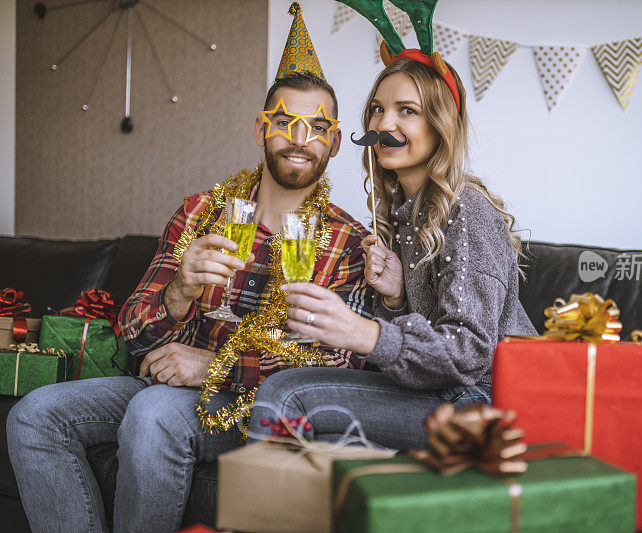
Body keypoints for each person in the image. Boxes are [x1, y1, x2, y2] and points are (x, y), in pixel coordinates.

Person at [6, 6, 371, 531]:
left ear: (334, 142)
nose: (299, 136)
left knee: (154, 415)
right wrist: (179, 289)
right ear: (259, 129)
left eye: (317, 127)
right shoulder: (201, 211)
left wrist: (212, 366)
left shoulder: (348, 242)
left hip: (249, 403)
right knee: (34, 416)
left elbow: (336, 373)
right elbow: (133, 333)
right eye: (284, 121)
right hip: (163, 385)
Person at [248, 51, 537, 449]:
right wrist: (399, 298)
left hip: (483, 401)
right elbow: (421, 349)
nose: (384, 124)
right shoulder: (401, 215)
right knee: (296, 398)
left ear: (440, 126)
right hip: (440, 391)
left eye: (407, 111)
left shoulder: (468, 209)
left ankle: (261, 511)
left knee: (287, 395)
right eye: (377, 110)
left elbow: (469, 352)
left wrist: (363, 332)